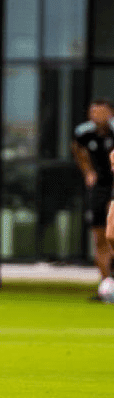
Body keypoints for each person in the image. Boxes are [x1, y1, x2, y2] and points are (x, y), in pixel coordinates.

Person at [72, 99, 114, 297]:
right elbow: (77, 149)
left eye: (101, 112)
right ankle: (106, 285)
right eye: (93, 112)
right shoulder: (84, 133)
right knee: (101, 238)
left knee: (112, 235)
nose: (96, 116)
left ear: (110, 113)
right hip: (99, 189)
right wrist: (88, 171)